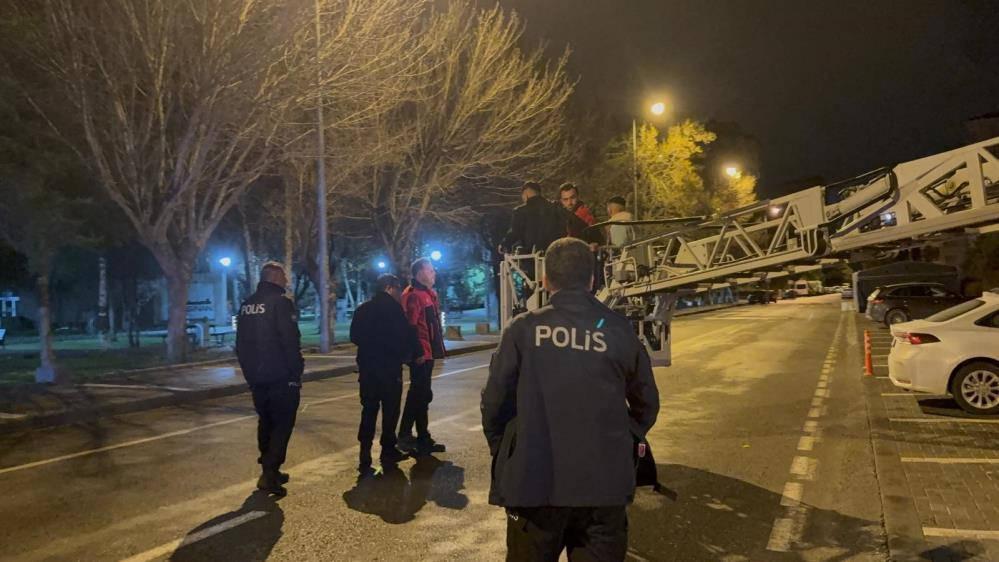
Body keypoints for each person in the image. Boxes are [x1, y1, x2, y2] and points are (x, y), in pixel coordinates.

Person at [481, 237, 660, 562]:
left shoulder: (522, 329)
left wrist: (509, 449)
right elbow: (646, 404)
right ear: (592, 280)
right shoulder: (619, 330)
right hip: (604, 488)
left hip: (534, 486)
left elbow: (494, 404)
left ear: (545, 280)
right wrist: (620, 440)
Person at [235, 262, 305, 497]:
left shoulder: (247, 305)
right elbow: (290, 341)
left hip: (257, 377)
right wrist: (295, 372)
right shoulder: (281, 303)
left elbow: (240, 345)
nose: (287, 280)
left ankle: (269, 468)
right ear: (274, 277)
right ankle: (269, 471)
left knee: (266, 421)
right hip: (280, 376)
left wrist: (249, 373)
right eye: (284, 276)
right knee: (282, 424)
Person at [350, 273, 422, 472]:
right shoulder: (394, 310)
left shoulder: (363, 309)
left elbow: (354, 336)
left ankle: (365, 451)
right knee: (390, 410)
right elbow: (405, 335)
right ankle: (387, 449)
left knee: (369, 409)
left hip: (367, 368)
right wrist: (411, 354)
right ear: (389, 288)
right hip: (389, 368)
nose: (400, 293)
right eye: (398, 288)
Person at [398, 258, 447, 456]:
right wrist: (418, 352)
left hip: (428, 352)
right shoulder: (413, 295)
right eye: (430, 270)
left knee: (422, 395)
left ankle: (421, 436)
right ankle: (408, 436)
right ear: (420, 273)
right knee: (418, 395)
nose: (434, 273)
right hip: (420, 354)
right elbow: (410, 327)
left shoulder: (429, 294)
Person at [500, 182, 586, 255]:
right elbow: (577, 223)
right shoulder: (556, 207)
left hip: (531, 259)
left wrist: (504, 245)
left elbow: (515, 232)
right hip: (555, 256)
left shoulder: (520, 211)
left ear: (525, 195)